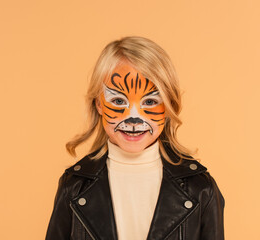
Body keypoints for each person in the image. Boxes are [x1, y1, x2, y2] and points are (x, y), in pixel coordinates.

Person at [45, 36, 225, 240]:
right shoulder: (74, 186)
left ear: (168, 106)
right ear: (99, 104)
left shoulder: (200, 188)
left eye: (150, 101)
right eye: (118, 100)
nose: (133, 117)